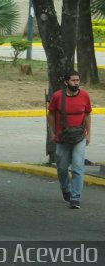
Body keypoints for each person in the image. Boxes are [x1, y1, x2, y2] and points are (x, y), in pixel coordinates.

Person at [47, 70, 92, 209]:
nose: (76, 83)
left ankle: (75, 197)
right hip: (62, 137)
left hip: (79, 137)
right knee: (61, 168)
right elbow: (52, 115)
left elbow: (87, 116)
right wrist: (52, 133)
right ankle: (65, 189)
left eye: (77, 80)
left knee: (78, 167)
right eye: (73, 80)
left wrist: (89, 134)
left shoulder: (84, 95)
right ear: (66, 82)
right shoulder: (57, 96)